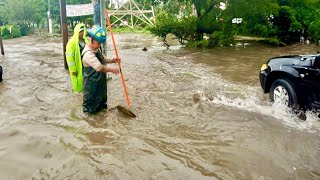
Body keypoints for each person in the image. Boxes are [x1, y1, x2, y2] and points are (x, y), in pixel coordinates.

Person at [81, 26, 120, 114]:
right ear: (91, 40)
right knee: (90, 111)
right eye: (98, 43)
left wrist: (113, 60)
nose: (99, 46)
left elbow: (103, 58)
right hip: (91, 86)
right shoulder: (88, 54)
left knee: (101, 107)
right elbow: (99, 67)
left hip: (99, 84)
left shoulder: (95, 49)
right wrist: (112, 70)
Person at [66, 23, 87, 92]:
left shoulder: (86, 41)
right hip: (77, 66)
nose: (82, 33)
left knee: (86, 80)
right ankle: (77, 93)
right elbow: (69, 57)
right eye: (80, 31)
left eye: (83, 31)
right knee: (77, 82)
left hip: (86, 65)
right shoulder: (71, 43)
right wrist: (72, 69)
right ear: (76, 32)